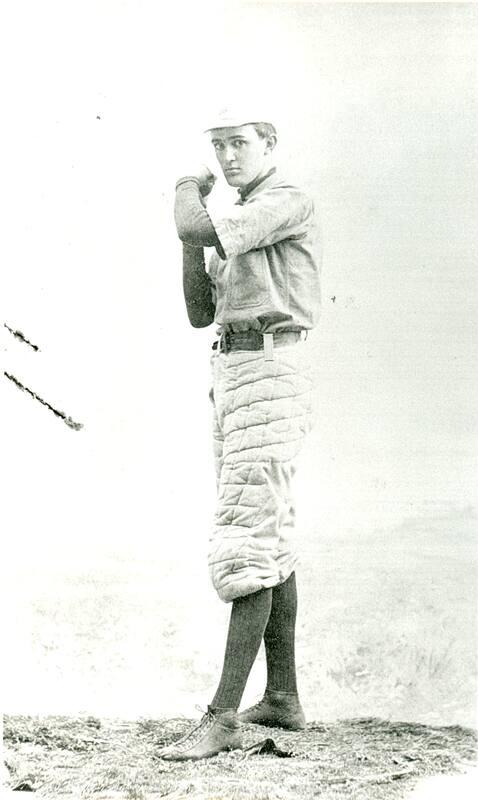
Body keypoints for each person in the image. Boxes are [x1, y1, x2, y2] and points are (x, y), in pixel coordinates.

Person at [158, 107, 321, 761]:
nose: (227, 157)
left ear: (269, 143)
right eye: (217, 146)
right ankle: (282, 695)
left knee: (247, 535)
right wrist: (190, 234)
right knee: (269, 529)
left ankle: (221, 716)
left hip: (271, 366)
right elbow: (202, 312)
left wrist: (184, 190)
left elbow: (193, 216)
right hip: (236, 369)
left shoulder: (284, 198)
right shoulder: (233, 221)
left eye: (238, 143)